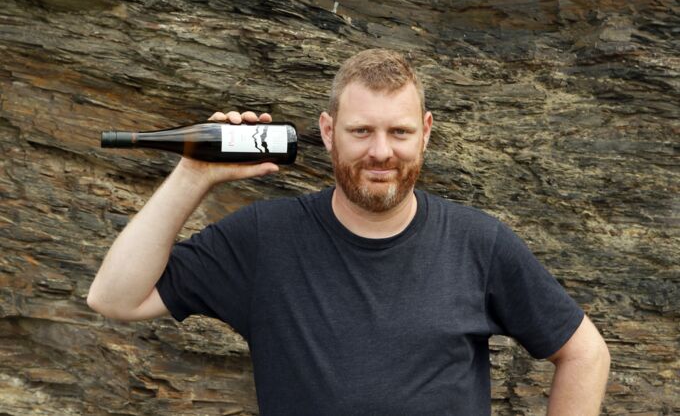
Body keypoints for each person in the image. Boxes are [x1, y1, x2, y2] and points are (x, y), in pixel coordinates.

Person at [88, 49, 610, 415]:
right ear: (327, 131)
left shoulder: (479, 243)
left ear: (425, 133)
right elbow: (116, 298)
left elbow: (584, 352)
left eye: (399, 132)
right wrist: (193, 174)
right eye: (361, 130)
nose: (381, 151)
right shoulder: (264, 240)